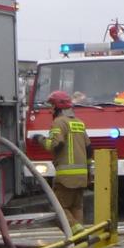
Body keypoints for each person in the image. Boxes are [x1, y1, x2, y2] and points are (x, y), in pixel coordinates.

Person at [39, 90, 92, 227]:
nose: (50, 110)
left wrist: (40, 140)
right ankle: (80, 242)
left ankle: (77, 233)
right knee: (76, 208)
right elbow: (89, 148)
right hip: (82, 176)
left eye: (51, 106)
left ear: (57, 106)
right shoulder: (79, 123)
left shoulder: (59, 122)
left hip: (66, 177)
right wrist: (88, 172)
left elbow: (56, 143)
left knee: (59, 210)